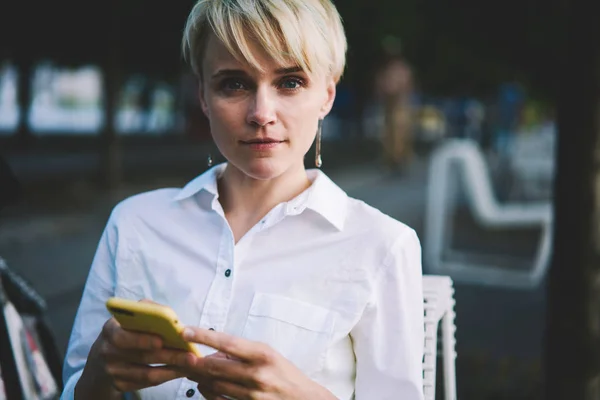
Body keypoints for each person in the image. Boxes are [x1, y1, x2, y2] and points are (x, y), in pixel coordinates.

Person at [61, 0, 424, 399]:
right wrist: (99, 375)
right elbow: (77, 387)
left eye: (289, 82)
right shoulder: (134, 223)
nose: (261, 113)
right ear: (202, 96)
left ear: (327, 94)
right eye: (234, 84)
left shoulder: (382, 246)